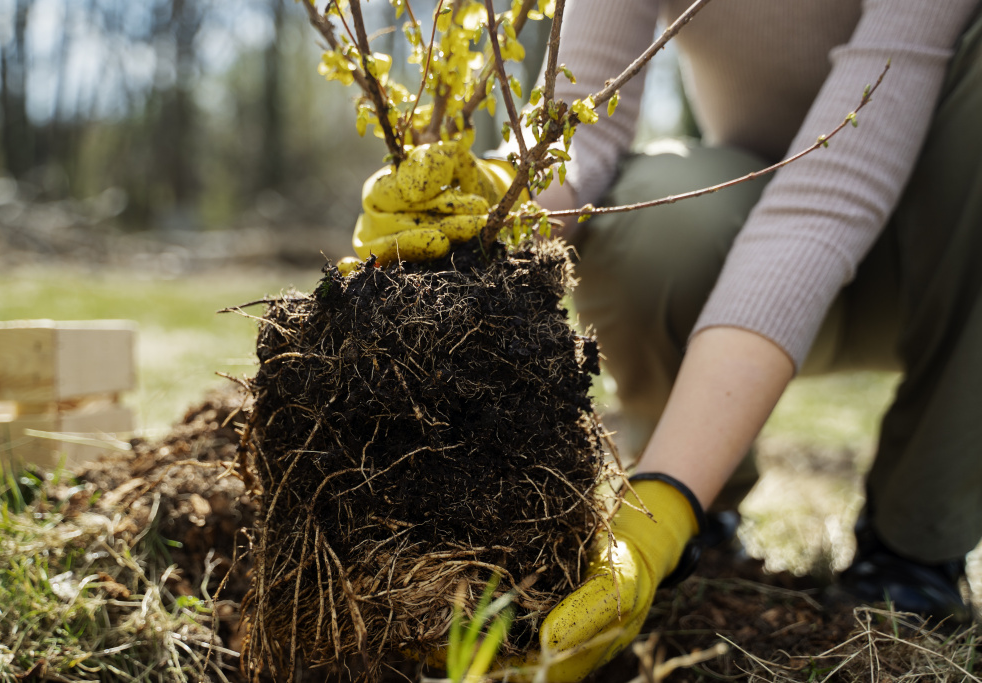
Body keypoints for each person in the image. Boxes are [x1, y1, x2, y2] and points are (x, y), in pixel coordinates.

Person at [350, 0, 982, 680]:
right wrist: (500, 197)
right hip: (746, 236)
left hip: (948, 263)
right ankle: (707, 510)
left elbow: (830, 196)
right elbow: (580, 123)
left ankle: (916, 546)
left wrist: (658, 511)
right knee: (651, 215)